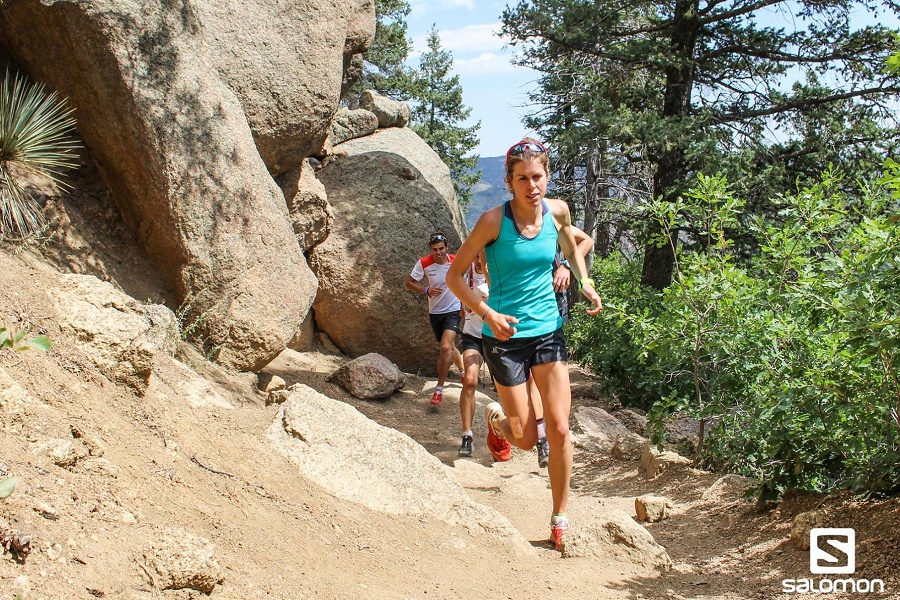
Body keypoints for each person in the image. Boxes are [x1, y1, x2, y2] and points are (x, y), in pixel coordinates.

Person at [446, 138, 602, 551]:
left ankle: (559, 518)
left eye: (537, 177)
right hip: (506, 339)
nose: (531, 185)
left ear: (546, 176)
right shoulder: (492, 222)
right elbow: (455, 277)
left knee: (560, 427)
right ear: (510, 181)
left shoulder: (558, 211)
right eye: (522, 178)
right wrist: (487, 314)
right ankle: (497, 423)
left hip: (548, 331)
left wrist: (582, 280)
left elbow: (571, 245)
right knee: (526, 438)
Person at [531, 225, 594, 468]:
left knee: (551, 370)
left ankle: (550, 432)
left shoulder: (550, 220)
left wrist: (567, 266)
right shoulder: (512, 222)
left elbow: (586, 240)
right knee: (532, 375)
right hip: (525, 305)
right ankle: (541, 436)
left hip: (554, 301)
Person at [405, 232, 464, 405]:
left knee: (445, 347)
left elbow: (468, 277)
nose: (438, 252)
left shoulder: (455, 261)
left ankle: (438, 389)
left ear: (447, 247)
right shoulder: (424, 263)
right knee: (450, 347)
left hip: (453, 311)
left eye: (441, 248)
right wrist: (425, 290)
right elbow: (409, 283)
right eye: (435, 249)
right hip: (436, 312)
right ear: (431, 249)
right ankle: (462, 370)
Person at [456, 250, 500, 458]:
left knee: (503, 388)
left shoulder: (500, 273)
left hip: (496, 337)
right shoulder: (465, 275)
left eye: (483, 256)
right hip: (473, 336)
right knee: (470, 381)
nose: (479, 261)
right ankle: (467, 435)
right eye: (476, 256)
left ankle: (501, 433)